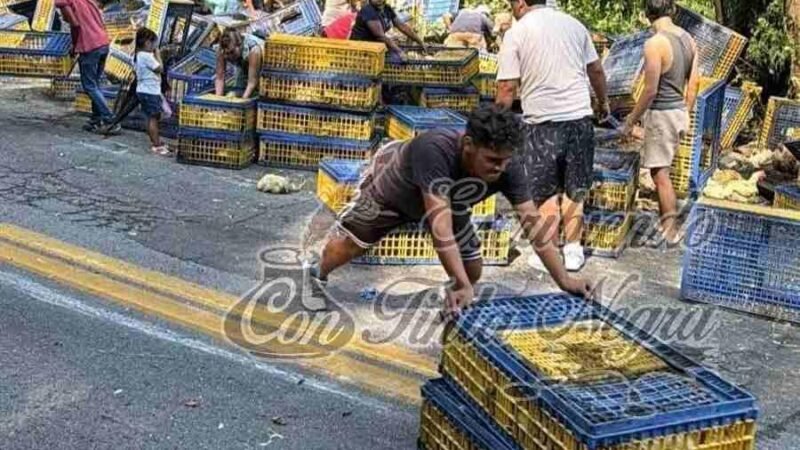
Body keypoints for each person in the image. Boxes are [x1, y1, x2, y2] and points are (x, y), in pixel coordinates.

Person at [302, 106, 594, 314]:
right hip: (391, 190)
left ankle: (453, 297)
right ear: (468, 145)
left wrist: (564, 280)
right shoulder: (436, 149)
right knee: (347, 247)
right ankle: (317, 274)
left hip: (451, 202)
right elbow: (439, 226)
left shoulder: (508, 166)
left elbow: (534, 227)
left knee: (472, 270)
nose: (500, 169)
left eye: (505, 161)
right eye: (492, 160)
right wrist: (460, 282)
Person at [496, 0, 609, 272]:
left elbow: (507, 86)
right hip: (579, 119)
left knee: (544, 190)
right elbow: (596, 69)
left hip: (542, 123)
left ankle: (548, 252)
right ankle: (573, 250)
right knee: (574, 187)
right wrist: (603, 102)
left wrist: (496, 123)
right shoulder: (574, 25)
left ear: (521, 3)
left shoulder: (517, 32)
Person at [622, 0, 699, 246]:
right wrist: (685, 111)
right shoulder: (689, 39)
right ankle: (669, 225)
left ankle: (670, 229)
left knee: (660, 174)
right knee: (663, 170)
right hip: (677, 111)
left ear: (647, 15)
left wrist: (631, 120)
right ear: (672, 10)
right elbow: (694, 82)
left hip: (662, 113)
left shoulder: (654, 44)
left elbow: (650, 90)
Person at [55, 0, 120, 134]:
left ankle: (109, 119)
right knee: (95, 85)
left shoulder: (63, 1)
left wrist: (74, 45)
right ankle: (96, 119)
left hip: (89, 46)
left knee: (89, 86)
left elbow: (75, 24)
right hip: (102, 43)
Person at [349, 0, 426, 60]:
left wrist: (420, 41)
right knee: (397, 59)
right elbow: (380, 36)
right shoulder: (368, 10)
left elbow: (402, 26)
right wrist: (399, 51)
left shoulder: (387, 9)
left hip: (375, 47)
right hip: (361, 48)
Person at [134, 28, 170, 156]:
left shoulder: (139, 55)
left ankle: (157, 141)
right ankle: (156, 145)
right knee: (153, 118)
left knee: (152, 117)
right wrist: (158, 55)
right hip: (150, 92)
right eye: (154, 43)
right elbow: (160, 68)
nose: (155, 46)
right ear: (147, 43)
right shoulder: (145, 56)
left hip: (145, 91)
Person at [215, 28, 263, 99]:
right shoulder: (221, 49)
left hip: (263, 64)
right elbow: (220, 77)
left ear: (239, 45)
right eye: (226, 53)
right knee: (238, 92)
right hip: (241, 62)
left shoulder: (254, 50)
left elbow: (252, 82)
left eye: (231, 52)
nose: (228, 56)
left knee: (258, 92)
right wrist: (217, 100)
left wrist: (242, 101)